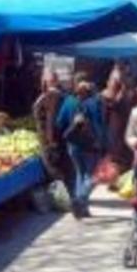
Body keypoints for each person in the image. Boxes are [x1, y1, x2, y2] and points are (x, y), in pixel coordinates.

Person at [56, 73, 106, 219]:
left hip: (73, 145)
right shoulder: (94, 101)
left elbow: (59, 123)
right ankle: (80, 200)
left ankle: (82, 209)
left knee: (80, 174)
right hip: (91, 145)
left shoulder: (68, 101)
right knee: (92, 177)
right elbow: (100, 123)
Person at [33, 69, 75, 193]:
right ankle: (71, 196)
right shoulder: (62, 96)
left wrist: (50, 142)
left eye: (44, 78)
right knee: (65, 169)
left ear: (46, 81)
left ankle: (68, 198)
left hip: (51, 141)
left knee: (56, 171)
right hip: (60, 139)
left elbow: (50, 119)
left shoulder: (51, 97)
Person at [101, 65, 135, 172]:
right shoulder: (105, 97)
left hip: (125, 136)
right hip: (113, 138)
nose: (117, 83)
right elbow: (111, 106)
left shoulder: (129, 95)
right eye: (114, 80)